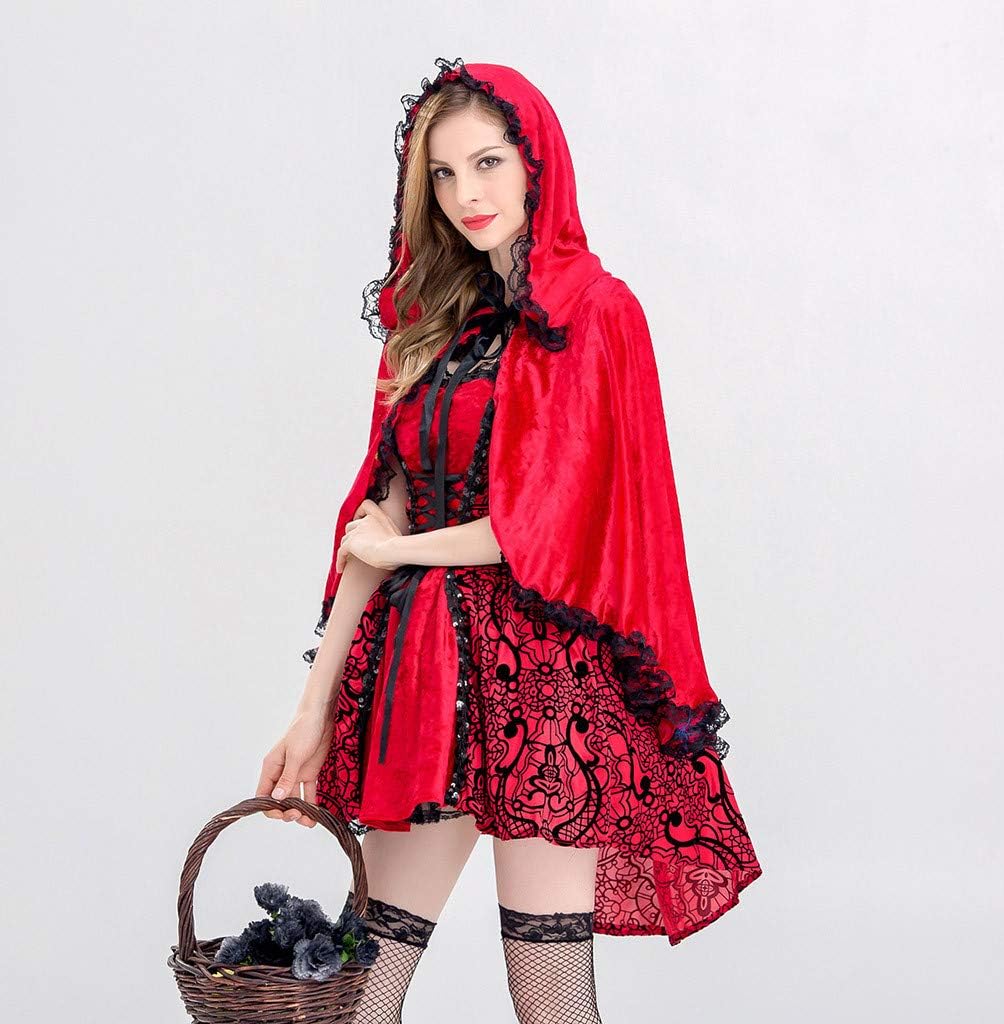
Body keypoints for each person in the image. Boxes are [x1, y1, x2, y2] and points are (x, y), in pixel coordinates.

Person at [257, 57, 763, 1023]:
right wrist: (311, 708)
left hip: (546, 689)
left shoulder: (599, 315)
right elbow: (374, 524)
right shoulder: (430, 325)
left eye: (487, 163)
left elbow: (562, 526)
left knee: (549, 1001)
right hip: (423, 672)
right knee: (358, 997)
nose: (467, 195)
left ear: (537, 163)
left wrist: (405, 552)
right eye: (444, 174)